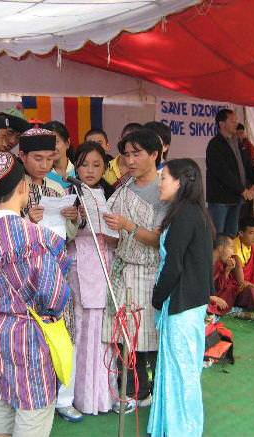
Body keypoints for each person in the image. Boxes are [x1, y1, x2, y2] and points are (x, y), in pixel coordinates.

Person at [0, 151, 71, 437]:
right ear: (23, 187)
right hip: (30, 330)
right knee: (34, 404)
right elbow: (53, 295)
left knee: (4, 396)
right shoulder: (33, 235)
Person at [18, 127, 81, 422]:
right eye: (36, 158)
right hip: (26, 280)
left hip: (56, 275)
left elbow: (69, 235)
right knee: (32, 340)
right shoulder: (14, 190)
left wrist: (73, 218)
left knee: (62, 335)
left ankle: (63, 399)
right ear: (22, 156)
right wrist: (27, 220)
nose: (43, 165)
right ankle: (33, 399)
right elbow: (4, 230)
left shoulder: (58, 189)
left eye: (48, 158)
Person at [102, 128, 167, 410]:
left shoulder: (165, 190)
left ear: (154, 154)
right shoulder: (124, 189)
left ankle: (149, 390)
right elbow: (110, 233)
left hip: (149, 271)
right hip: (123, 269)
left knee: (148, 338)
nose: (129, 160)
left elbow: (160, 240)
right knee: (125, 338)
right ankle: (130, 391)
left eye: (136, 153)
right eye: (126, 154)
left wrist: (128, 226)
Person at [149, 158, 214, 437]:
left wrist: (156, 296)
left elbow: (173, 264)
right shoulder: (190, 212)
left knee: (182, 373)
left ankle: (183, 431)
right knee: (178, 370)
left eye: (164, 177)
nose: (159, 182)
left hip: (181, 305)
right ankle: (172, 427)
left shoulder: (185, 215)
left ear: (179, 182)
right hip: (188, 304)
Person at [68, 142, 116, 415]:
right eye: (84, 164)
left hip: (103, 265)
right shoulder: (69, 193)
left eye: (96, 165)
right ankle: (79, 396)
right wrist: (74, 220)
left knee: (102, 330)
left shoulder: (110, 196)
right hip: (77, 266)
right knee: (81, 329)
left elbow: (117, 238)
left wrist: (104, 224)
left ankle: (102, 395)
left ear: (105, 168)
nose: (89, 170)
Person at [206, 109, 254, 235]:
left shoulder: (238, 142)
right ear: (222, 124)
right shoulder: (215, 144)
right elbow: (222, 172)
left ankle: (229, 255)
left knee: (231, 234)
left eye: (236, 120)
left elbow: (247, 165)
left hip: (236, 198)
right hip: (221, 198)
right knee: (218, 235)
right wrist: (242, 190)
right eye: (232, 121)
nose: (236, 123)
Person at [103, 122, 141, 187]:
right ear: (120, 139)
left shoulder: (148, 171)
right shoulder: (104, 169)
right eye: (126, 140)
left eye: (135, 142)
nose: (130, 145)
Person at [44, 120, 76, 190]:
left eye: (56, 142)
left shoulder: (78, 170)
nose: (52, 147)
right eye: (48, 143)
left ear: (67, 143)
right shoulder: (41, 174)